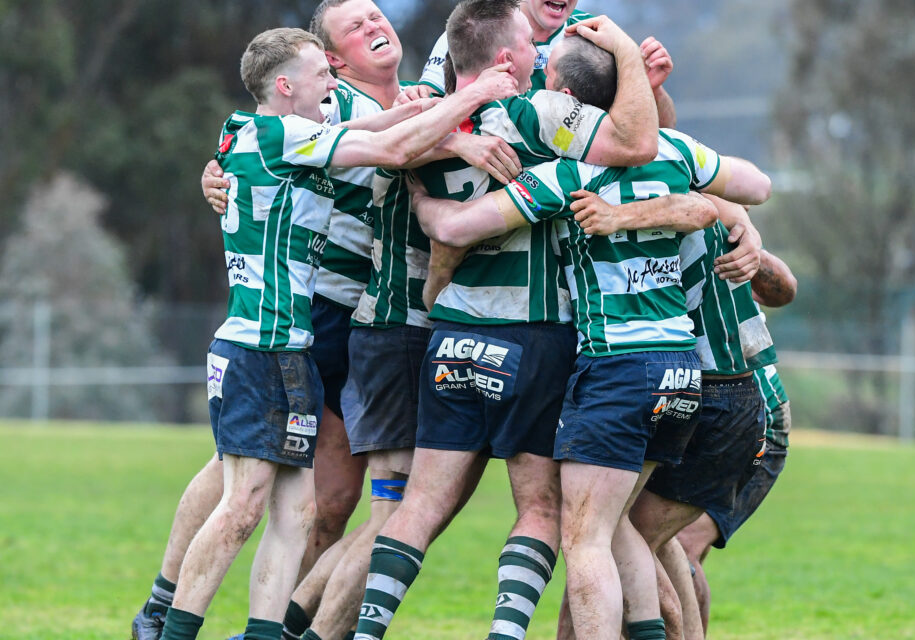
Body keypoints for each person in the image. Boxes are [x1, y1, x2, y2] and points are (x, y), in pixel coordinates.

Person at [155, 26, 517, 640]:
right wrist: (475, 96)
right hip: (257, 347)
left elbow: (376, 131)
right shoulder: (275, 133)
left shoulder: (280, 131)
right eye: (321, 73)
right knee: (242, 506)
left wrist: (438, 113)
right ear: (286, 85)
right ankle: (170, 624)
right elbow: (395, 150)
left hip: (290, 348)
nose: (331, 80)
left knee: (297, 514)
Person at [349, 5, 670, 640]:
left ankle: (366, 632)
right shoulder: (538, 114)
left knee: (418, 506)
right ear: (505, 58)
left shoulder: (418, 127)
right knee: (541, 508)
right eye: (530, 45)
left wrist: (422, 189)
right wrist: (631, 61)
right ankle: (506, 634)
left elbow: (383, 159)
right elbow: (638, 142)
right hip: (533, 338)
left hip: (452, 334)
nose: (539, 56)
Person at [673, 249, 797, 634]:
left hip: (753, 415)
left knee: (677, 549)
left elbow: (784, 289)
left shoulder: (709, 216)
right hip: (693, 407)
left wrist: (745, 240)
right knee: (673, 552)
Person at [417, 0, 678, 127]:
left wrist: (652, 90)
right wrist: (461, 144)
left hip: (561, 195)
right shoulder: (476, 27)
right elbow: (424, 115)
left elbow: (658, 132)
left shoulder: (598, 34)